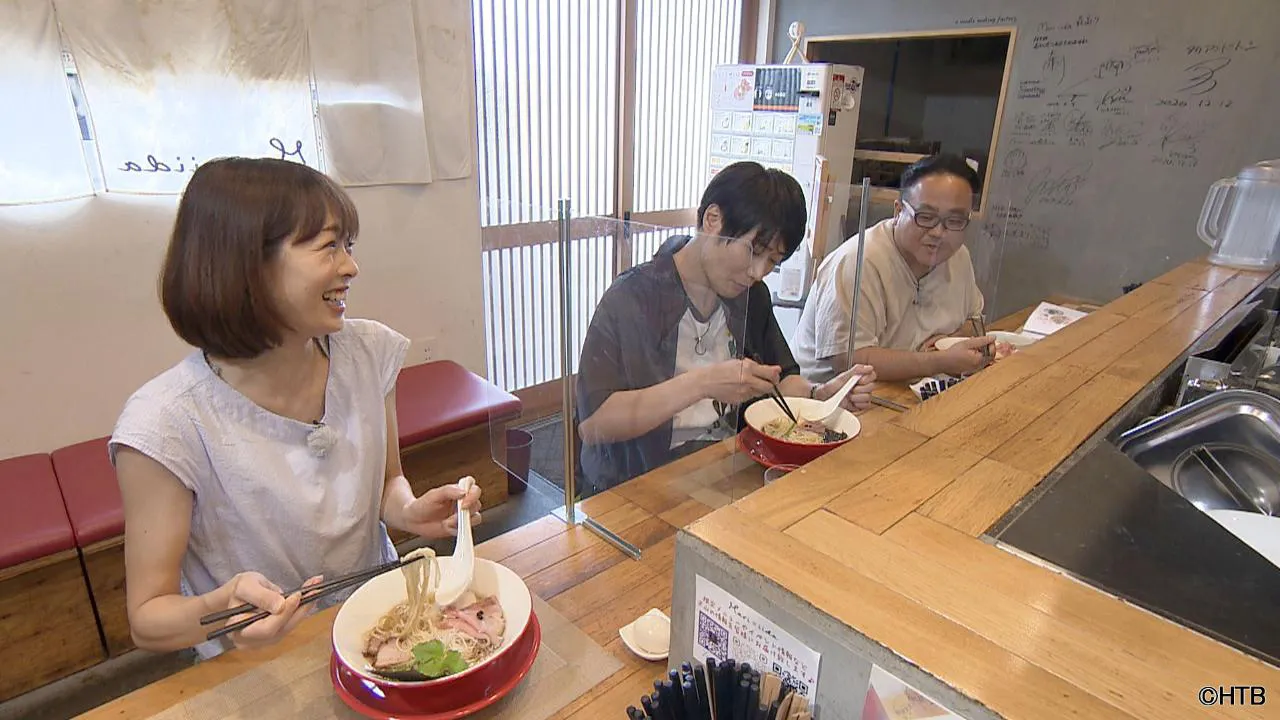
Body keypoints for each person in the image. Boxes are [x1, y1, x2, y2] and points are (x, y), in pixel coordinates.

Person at [109, 157, 480, 658]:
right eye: (329, 247)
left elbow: (388, 482)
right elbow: (148, 619)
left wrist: (411, 512)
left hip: (386, 623)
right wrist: (226, 607)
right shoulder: (166, 423)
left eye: (348, 246)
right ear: (246, 265)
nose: (351, 266)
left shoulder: (367, 352)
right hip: (265, 663)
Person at [575, 161, 877, 491]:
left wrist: (822, 396)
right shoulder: (632, 298)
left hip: (726, 468)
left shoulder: (752, 297)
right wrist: (702, 383)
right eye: (754, 251)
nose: (758, 272)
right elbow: (594, 425)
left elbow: (778, 380)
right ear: (713, 219)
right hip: (640, 482)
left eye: (773, 261)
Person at [793, 154, 993, 383]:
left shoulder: (958, 256)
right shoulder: (858, 261)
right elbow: (849, 360)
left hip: (911, 389)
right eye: (926, 217)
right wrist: (939, 361)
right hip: (835, 399)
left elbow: (975, 322)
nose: (939, 232)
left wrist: (948, 343)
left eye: (955, 221)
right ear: (898, 211)